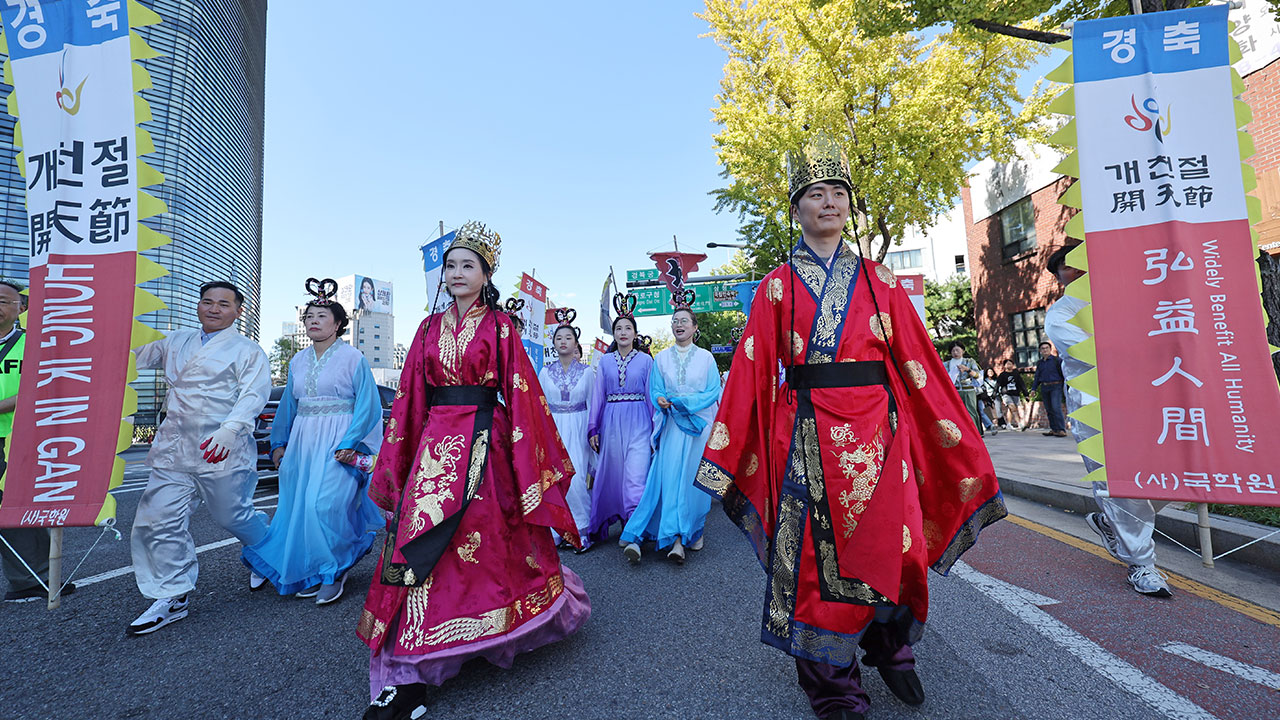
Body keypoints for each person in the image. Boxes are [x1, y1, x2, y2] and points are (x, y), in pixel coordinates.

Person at [696, 133, 1005, 720]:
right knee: (813, 561)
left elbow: (918, 363)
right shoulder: (777, 286)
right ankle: (834, 688)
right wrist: (738, 449)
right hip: (807, 435)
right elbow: (754, 370)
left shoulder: (880, 281)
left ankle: (891, 649)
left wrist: (949, 432)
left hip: (880, 435)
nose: (829, 202)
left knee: (900, 550)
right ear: (797, 208)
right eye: (816, 194)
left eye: (839, 192)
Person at [358, 221, 589, 720]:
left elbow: (523, 392)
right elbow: (410, 397)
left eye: (469, 265)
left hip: (488, 441)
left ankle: (485, 627)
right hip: (436, 444)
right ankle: (409, 668)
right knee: (420, 543)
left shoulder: (501, 326)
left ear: (486, 275)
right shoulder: (425, 330)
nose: (458, 273)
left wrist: (527, 462)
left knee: (486, 541)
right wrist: (401, 458)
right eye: (451, 265)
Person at [126, 281, 272, 635]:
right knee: (157, 518)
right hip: (174, 443)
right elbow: (130, 355)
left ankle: (265, 550)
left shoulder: (247, 350)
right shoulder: (176, 340)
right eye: (207, 301)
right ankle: (172, 594)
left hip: (221, 443)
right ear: (198, 305)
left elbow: (254, 393)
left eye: (223, 303)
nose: (213, 308)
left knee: (231, 515)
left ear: (238, 311)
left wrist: (231, 428)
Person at [240, 279, 384, 604]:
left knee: (327, 505)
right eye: (309, 316)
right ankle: (316, 568)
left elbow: (367, 405)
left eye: (322, 316)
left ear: (338, 324)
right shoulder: (297, 362)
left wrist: (351, 442)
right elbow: (288, 407)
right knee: (299, 509)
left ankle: (336, 568)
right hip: (303, 441)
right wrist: (279, 443)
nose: (314, 321)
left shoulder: (353, 358)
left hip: (338, 442)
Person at [1042, 246, 1172, 598]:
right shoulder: (1059, 315)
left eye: (1080, 263)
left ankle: (1108, 522)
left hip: (1145, 402)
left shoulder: (1125, 303)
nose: (1076, 271)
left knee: (1169, 477)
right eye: (1067, 269)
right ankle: (1143, 564)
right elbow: (1100, 354)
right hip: (1094, 408)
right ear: (1061, 278)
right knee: (1117, 484)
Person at [620, 305, 720, 565]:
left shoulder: (707, 358)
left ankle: (689, 533)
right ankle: (672, 538)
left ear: (695, 328)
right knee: (666, 479)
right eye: (675, 321)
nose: (679, 324)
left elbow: (712, 392)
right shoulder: (662, 358)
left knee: (692, 482)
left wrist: (684, 402)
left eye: (685, 321)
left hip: (697, 426)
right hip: (672, 426)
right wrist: (662, 399)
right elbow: (656, 390)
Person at [0, 281, 76, 602]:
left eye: (4, 301)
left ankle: (32, 579)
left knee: (14, 510)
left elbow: (43, 385)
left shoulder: (35, 345)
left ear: (22, 308)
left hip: (14, 440)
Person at [586, 297, 654, 546]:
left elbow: (651, 396)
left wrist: (655, 430)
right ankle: (624, 520)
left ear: (635, 333)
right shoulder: (604, 361)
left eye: (628, 328)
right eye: (618, 329)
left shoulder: (646, 361)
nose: (623, 332)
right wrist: (593, 427)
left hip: (639, 421)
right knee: (614, 475)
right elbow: (598, 396)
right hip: (611, 422)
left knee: (636, 475)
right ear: (613, 334)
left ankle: (634, 531)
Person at [537, 309, 596, 550]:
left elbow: (593, 404)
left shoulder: (587, 372)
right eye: (559, 338)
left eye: (568, 338)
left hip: (579, 425)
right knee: (556, 479)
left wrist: (593, 432)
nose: (563, 341)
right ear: (554, 343)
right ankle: (557, 529)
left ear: (576, 343)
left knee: (578, 478)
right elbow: (540, 405)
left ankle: (582, 529)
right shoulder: (544, 372)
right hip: (554, 429)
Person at [944, 342, 984, 437]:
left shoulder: (969, 362)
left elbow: (978, 375)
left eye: (957, 350)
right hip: (954, 391)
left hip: (968, 390)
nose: (955, 352)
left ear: (963, 351)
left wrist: (967, 369)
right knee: (955, 413)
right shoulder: (946, 364)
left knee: (971, 412)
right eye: (953, 350)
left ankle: (975, 433)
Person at [1031, 341, 1068, 437]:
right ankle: (1054, 429)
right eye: (1042, 348)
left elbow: (1064, 374)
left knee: (1056, 407)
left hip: (1056, 386)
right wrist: (1033, 389)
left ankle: (1061, 429)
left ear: (1050, 349)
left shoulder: (1057, 360)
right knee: (1049, 409)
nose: (1045, 350)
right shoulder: (1040, 363)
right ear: (1040, 351)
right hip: (1044, 386)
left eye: (1046, 348)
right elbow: (1037, 376)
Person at [995, 359, 1028, 431]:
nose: (1009, 365)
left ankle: (1009, 424)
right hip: (1006, 394)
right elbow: (997, 384)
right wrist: (995, 393)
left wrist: (1026, 394)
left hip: (1015, 393)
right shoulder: (1002, 375)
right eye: (1007, 364)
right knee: (1013, 408)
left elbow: (1021, 384)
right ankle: (1020, 424)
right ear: (1004, 366)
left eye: (1010, 364)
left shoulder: (1016, 374)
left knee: (1011, 409)